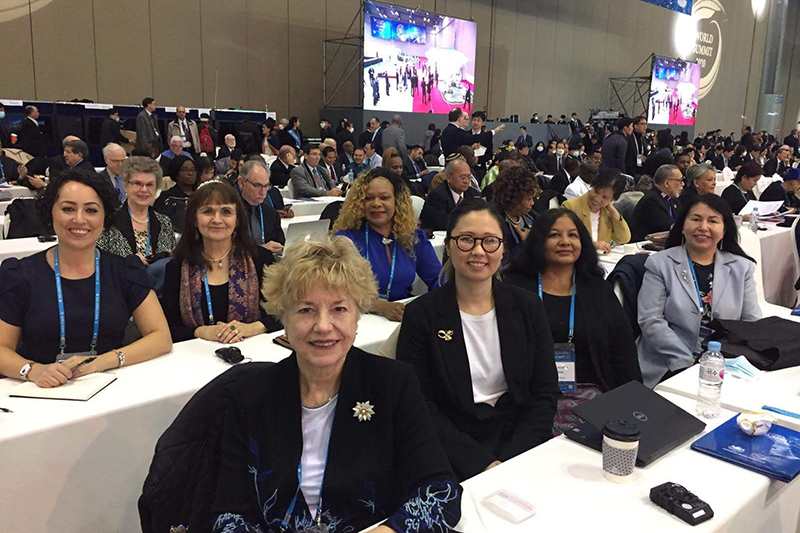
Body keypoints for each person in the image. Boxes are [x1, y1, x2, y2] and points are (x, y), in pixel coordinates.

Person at [208, 235, 461, 532]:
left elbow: (441, 492)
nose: (323, 326)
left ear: (357, 317)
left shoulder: (394, 384)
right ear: (283, 319)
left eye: (339, 309)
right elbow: (229, 515)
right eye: (306, 310)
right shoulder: (249, 396)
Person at [396, 199, 560, 481]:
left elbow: (544, 392)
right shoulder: (421, 315)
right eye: (466, 240)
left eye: (490, 241)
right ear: (448, 246)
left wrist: (511, 459)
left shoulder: (527, 307)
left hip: (521, 441)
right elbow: (421, 405)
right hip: (454, 447)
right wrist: (480, 464)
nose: (478, 251)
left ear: (503, 248)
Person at [0, 170, 171, 387]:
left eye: (91, 210)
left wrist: (103, 361)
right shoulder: (20, 275)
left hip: (113, 386)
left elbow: (161, 337)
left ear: (104, 217)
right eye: (68, 209)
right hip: (39, 392)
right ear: (50, 213)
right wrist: (32, 370)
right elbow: (1, 348)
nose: (79, 219)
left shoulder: (126, 271)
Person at [503, 209, 642, 432]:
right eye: (554, 235)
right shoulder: (514, 287)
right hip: (530, 396)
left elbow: (623, 351)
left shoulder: (597, 289)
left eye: (573, 235)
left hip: (592, 394)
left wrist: (635, 402)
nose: (565, 242)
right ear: (539, 241)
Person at [637, 194, 762, 387]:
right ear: (682, 225)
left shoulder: (741, 267)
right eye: (695, 219)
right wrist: (686, 362)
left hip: (724, 364)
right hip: (668, 364)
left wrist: (726, 361)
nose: (703, 227)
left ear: (724, 229)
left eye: (713, 221)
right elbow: (650, 321)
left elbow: (751, 324)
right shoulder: (660, 264)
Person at [160, 181, 282, 343]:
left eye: (226, 212)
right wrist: (200, 331)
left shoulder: (260, 259)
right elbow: (168, 327)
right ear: (194, 219)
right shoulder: (177, 267)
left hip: (253, 353)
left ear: (237, 219)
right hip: (195, 357)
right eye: (208, 211)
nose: (217, 220)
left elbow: (282, 312)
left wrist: (251, 327)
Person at [333, 168, 441, 321]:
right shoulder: (345, 240)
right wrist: (381, 307)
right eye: (368, 198)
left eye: (384, 197)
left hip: (402, 319)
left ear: (397, 201)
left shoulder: (414, 238)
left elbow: (438, 279)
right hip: (358, 322)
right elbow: (338, 294)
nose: (376, 204)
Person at [97, 156, 176, 263]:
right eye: (137, 183)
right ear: (125, 185)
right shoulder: (108, 221)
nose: (144, 190)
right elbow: (99, 260)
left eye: (149, 185)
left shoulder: (164, 222)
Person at [563, 167, 630, 252]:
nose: (597, 199)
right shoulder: (570, 207)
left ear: (612, 200)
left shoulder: (607, 212)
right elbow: (565, 241)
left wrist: (612, 210)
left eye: (605, 197)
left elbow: (624, 238)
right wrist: (592, 245)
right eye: (596, 191)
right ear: (592, 186)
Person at [491, 166, 540, 262]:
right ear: (514, 198)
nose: (532, 203)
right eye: (528, 199)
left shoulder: (532, 217)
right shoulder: (496, 223)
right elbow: (504, 261)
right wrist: (525, 242)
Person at [420, 158, 481, 231]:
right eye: (463, 178)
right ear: (449, 177)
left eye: (469, 177)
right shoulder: (437, 195)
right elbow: (444, 223)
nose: (467, 181)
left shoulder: (472, 193)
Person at [630, 164, 683, 242]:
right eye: (680, 181)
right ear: (667, 183)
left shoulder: (673, 200)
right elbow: (666, 227)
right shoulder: (651, 201)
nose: (683, 184)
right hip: (645, 246)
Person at [154, 155, 197, 232]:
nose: (190, 173)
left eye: (193, 170)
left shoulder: (202, 195)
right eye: (185, 170)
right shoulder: (167, 197)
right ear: (176, 173)